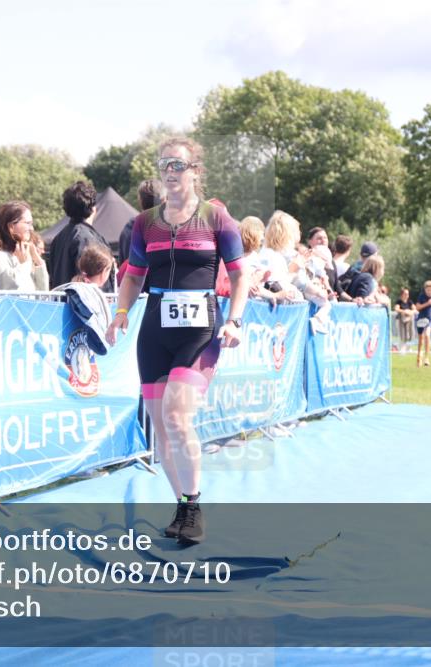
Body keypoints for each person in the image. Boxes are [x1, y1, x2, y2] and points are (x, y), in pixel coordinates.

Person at [105, 136, 248, 545]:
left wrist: (235, 321)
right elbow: (133, 275)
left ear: (195, 172)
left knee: (176, 415)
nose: (169, 170)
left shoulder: (218, 220)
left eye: (178, 165)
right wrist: (120, 314)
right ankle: (184, 504)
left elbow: (240, 276)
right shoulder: (143, 223)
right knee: (161, 430)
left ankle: (193, 504)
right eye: (164, 164)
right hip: (154, 328)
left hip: (200, 329)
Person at [259, 211, 332, 333]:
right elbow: (300, 281)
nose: (299, 232)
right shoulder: (287, 255)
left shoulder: (266, 253)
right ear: (288, 232)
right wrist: (318, 291)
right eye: (297, 229)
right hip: (282, 313)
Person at [48, 181, 114, 291]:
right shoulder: (88, 240)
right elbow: (94, 279)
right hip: (83, 304)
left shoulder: (59, 238)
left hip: (63, 304)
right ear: (93, 208)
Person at [0, 201, 49, 292]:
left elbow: (42, 295)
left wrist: (39, 263)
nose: (32, 228)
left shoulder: (25, 258)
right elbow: (12, 291)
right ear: (11, 227)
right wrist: (23, 264)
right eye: (27, 223)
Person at [118, 179, 163, 264]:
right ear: (164, 200)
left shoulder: (129, 229)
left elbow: (123, 264)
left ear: (140, 201)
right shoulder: (171, 230)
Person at [414, 280, 431, 367]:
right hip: (421, 320)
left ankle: (427, 358)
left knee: (427, 335)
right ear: (425, 290)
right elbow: (417, 307)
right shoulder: (421, 297)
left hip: (429, 320)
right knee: (421, 341)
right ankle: (419, 356)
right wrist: (427, 304)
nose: (429, 292)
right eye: (427, 290)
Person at [394, 288, 416, 353]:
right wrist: (404, 311)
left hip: (409, 320)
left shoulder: (410, 302)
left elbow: (414, 309)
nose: (406, 295)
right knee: (402, 334)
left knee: (410, 334)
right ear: (402, 294)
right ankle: (402, 348)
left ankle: (408, 348)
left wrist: (410, 312)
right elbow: (396, 309)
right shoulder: (399, 302)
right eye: (405, 294)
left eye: (407, 294)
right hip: (400, 320)